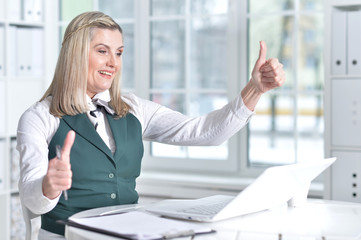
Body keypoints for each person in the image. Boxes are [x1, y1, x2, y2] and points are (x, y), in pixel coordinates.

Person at [17, 11, 285, 239]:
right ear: (75, 55)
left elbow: (204, 132)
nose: (113, 63)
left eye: (119, 53)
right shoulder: (40, 117)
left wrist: (254, 90)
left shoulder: (133, 108)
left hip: (127, 233)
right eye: (102, 51)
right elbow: (31, 197)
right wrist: (48, 186)